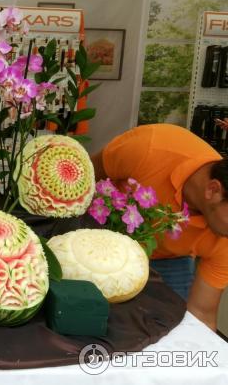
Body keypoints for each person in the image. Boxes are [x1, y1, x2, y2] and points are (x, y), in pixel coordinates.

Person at [91, 123, 228, 332]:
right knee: (97, 323)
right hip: (105, 241)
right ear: (213, 190)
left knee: (175, 329)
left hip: (170, 260)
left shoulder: (224, 238)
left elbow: (201, 313)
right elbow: (87, 176)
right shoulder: (149, 147)